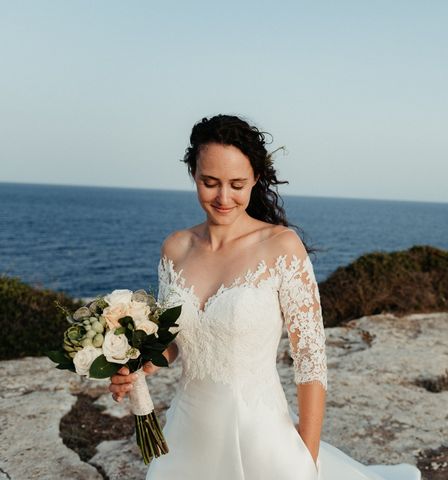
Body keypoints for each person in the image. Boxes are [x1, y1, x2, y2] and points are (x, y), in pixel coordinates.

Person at [109, 114, 421, 480]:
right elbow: (175, 342)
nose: (224, 197)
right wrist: (135, 363)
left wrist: (308, 455)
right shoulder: (175, 248)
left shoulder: (281, 246)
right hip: (187, 434)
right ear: (194, 174)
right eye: (210, 183)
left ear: (256, 179)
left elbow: (311, 361)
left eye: (237, 184)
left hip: (261, 439)